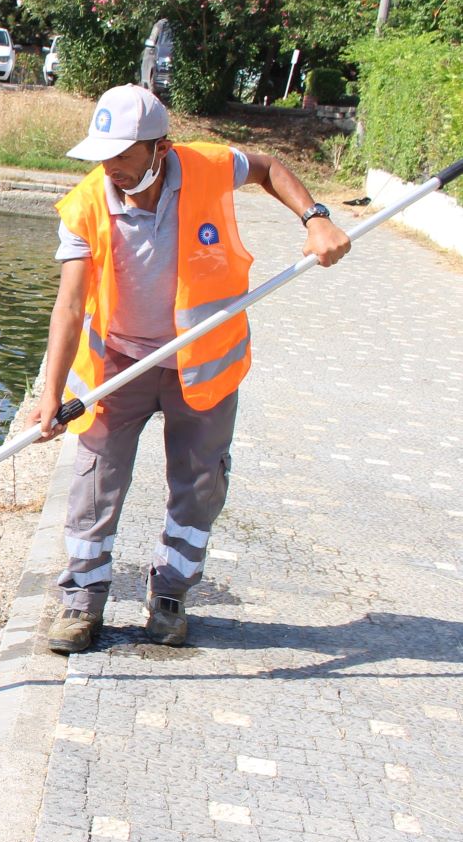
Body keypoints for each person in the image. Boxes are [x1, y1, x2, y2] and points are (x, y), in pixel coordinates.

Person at [36, 85, 350, 654]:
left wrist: (316, 218)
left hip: (201, 363)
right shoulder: (84, 206)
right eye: (102, 154)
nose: (110, 167)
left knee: (199, 485)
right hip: (120, 366)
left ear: (160, 148)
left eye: (123, 155)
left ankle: (171, 597)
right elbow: (70, 305)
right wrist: (50, 394)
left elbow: (269, 167)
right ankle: (81, 602)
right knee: (94, 485)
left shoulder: (207, 166)